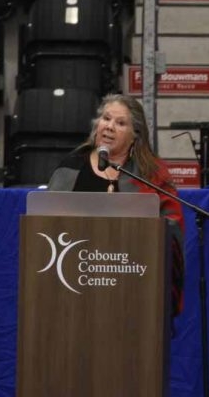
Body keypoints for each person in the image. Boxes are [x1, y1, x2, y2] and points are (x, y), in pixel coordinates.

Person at [48, 93, 185, 316]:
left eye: (120, 123)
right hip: (74, 281)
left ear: (135, 136)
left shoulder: (152, 173)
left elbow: (172, 226)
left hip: (134, 286)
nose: (109, 127)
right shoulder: (70, 167)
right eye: (106, 119)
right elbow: (46, 226)